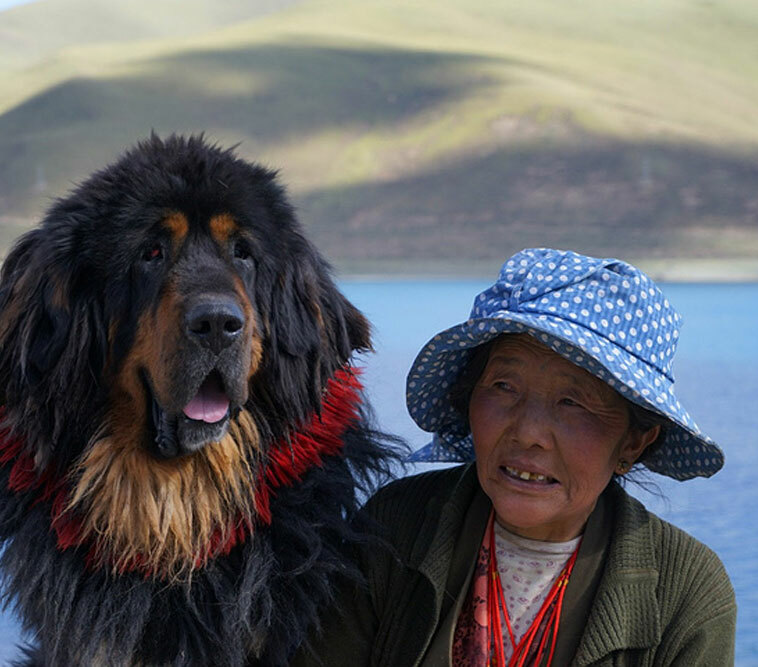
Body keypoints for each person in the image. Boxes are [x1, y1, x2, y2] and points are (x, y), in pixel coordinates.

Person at [295, 248, 735, 666]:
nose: (527, 433)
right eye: (504, 387)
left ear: (633, 442)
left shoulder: (686, 592)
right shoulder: (396, 526)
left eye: (573, 403)